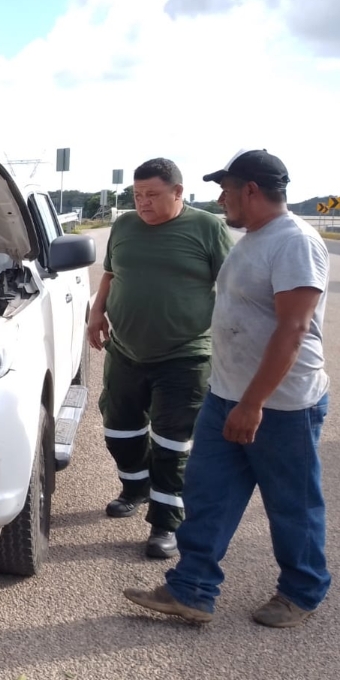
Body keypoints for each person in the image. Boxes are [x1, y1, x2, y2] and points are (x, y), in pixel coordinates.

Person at [124, 149, 330, 628]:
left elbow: (292, 331)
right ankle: (191, 589)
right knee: (208, 494)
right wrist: (233, 397)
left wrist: (254, 404)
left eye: (227, 189)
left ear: (251, 191)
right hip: (227, 395)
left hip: (281, 405)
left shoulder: (295, 241)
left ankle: (300, 592)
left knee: (291, 504)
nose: (220, 198)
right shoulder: (251, 237)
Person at [88, 158, 232, 559]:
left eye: (152, 195)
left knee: (171, 443)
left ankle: (165, 523)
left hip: (184, 355)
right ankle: (135, 488)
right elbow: (112, 273)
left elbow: (233, 286)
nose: (143, 203)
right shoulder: (125, 225)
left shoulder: (208, 227)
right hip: (126, 351)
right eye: (137, 195)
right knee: (120, 430)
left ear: (178, 192)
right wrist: (97, 311)